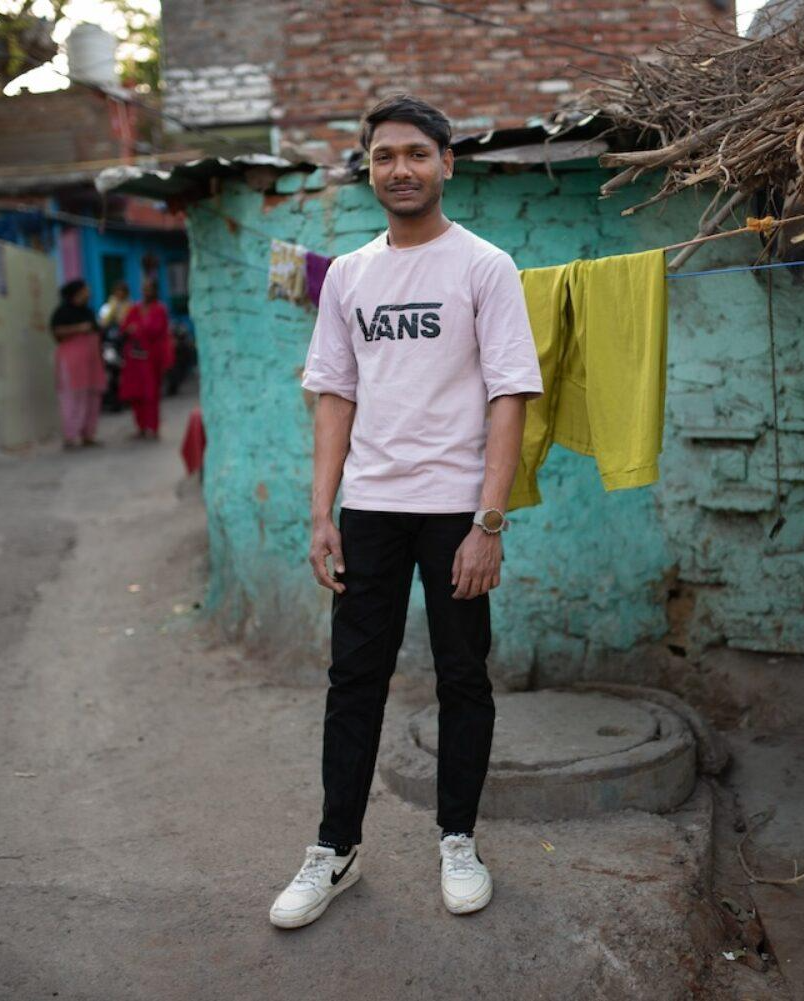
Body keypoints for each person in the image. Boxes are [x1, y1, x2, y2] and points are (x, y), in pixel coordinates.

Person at [269, 95, 542, 930]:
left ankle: (458, 839)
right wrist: (324, 514)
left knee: (463, 676)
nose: (401, 168)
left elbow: (509, 395)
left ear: (446, 164)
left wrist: (488, 522)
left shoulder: (484, 266)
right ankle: (335, 849)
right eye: (384, 155)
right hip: (372, 512)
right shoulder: (348, 277)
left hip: (455, 512)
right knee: (353, 678)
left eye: (416, 153)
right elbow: (334, 397)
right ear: (368, 167)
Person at [49, 279, 107, 449]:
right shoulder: (62, 312)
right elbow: (56, 333)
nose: (89, 293)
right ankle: (70, 436)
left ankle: (88, 435)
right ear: (77, 293)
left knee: (92, 397)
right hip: (71, 362)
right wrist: (79, 329)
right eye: (85, 290)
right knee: (72, 397)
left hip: (91, 362)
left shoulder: (88, 311)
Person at [118, 276, 172, 439]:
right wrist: (130, 330)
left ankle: (152, 426)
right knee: (136, 393)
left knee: (151, 393)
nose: (145, 291)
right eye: (144, 288)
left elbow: (156, 330)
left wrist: (137, 329)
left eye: (149, 288)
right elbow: (124, 327)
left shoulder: (159, 309)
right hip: (134, 358)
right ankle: (140, 426)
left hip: (151, 358)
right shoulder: (135, 308)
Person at [98, 281, 131, 411]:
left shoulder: (130, 307)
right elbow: (103, 322)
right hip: (111, 344)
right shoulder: (107, 307)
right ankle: (114, 401)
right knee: (113, 373)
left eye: (122, 292)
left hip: (125, 343)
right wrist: (113, 308)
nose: (120, 294)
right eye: (117, 292)